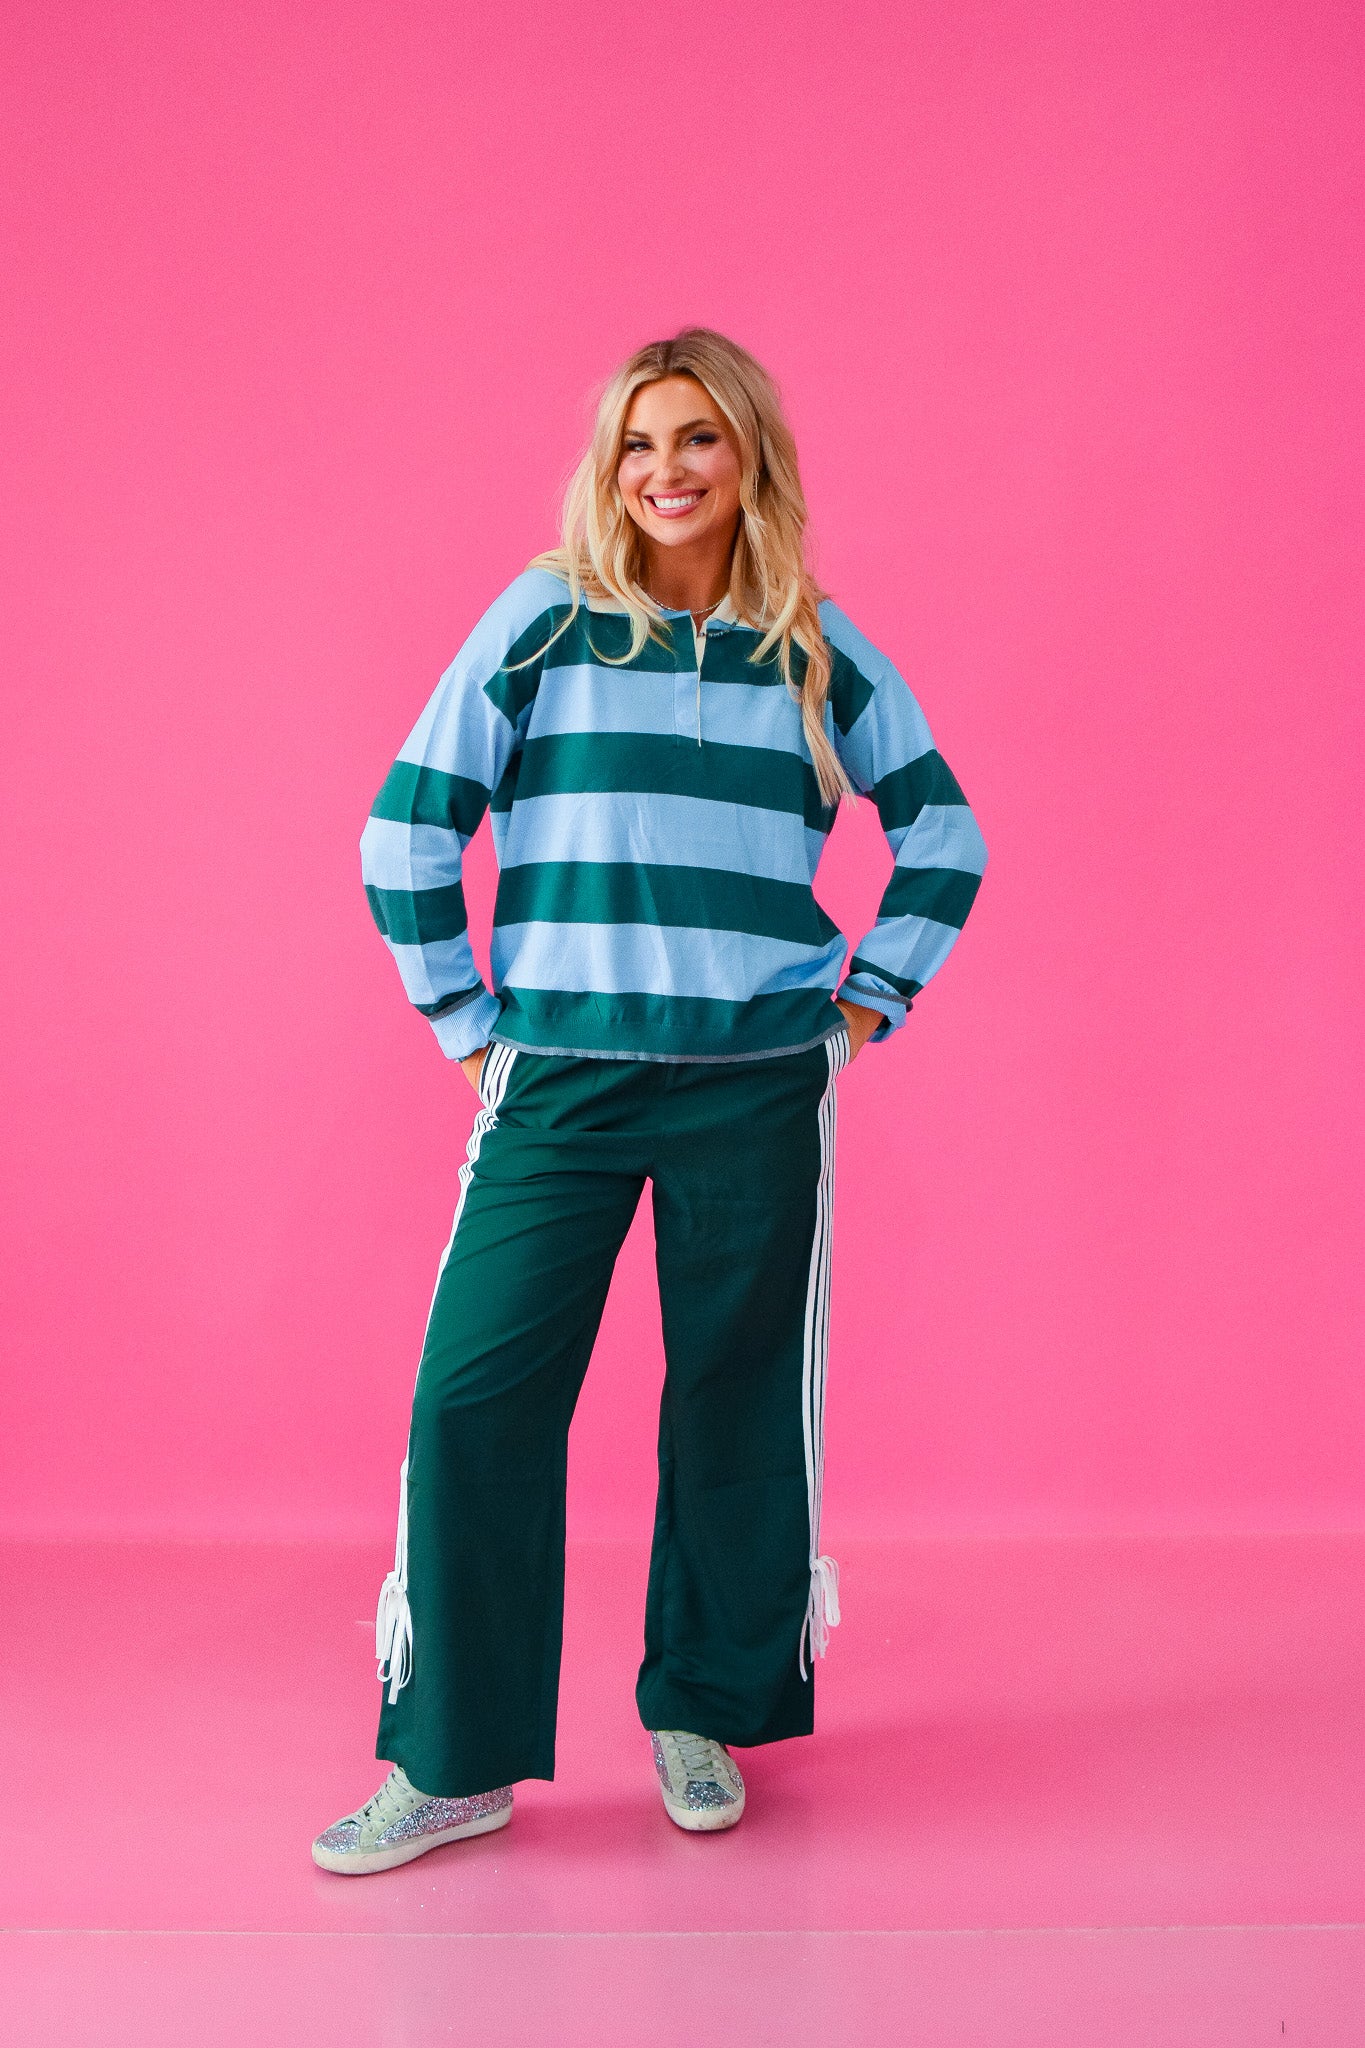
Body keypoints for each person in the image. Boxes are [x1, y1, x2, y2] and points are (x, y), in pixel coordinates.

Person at [312, 328, 987, 1875]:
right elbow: (405, 828)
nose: (664, 470)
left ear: (749, 457)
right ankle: (454, 1763)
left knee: (736, 1401)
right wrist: (465, 1023)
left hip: (757, 1088)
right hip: (561, 1078)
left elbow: (943, 833)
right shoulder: (545, 620)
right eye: (637, 442)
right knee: (474, 1398)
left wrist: (862, 1010)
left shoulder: (812, 645)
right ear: (607, 464)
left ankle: (704, 1710)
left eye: (696, 439)